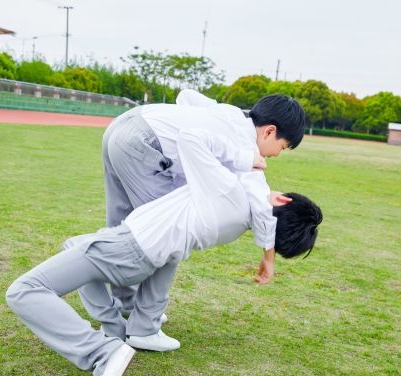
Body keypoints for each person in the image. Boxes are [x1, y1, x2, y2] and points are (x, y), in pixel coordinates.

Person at [6, 126, 322, 376]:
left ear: (281, 201)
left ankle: (101, 352)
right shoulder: (238, 220)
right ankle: (114, 328)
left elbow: (191, 137)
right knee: (75, 245)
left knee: (24, 291)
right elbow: (259, 201)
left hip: (127, 249)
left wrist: (245, 154)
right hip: (134, 253)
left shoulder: (228, 191)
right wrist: (267, 255)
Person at [92, 89, 307, 348]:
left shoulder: (229, 113)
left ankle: (127, 304)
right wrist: (268, 256)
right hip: (143, 143)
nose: (275, 155)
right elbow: (262, 205)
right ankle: (144, 327)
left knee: (122, 219)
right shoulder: (247, 147)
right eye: (281, 147)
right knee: (168, 233)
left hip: (123, 124)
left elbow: (187, 95)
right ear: (269, 131)